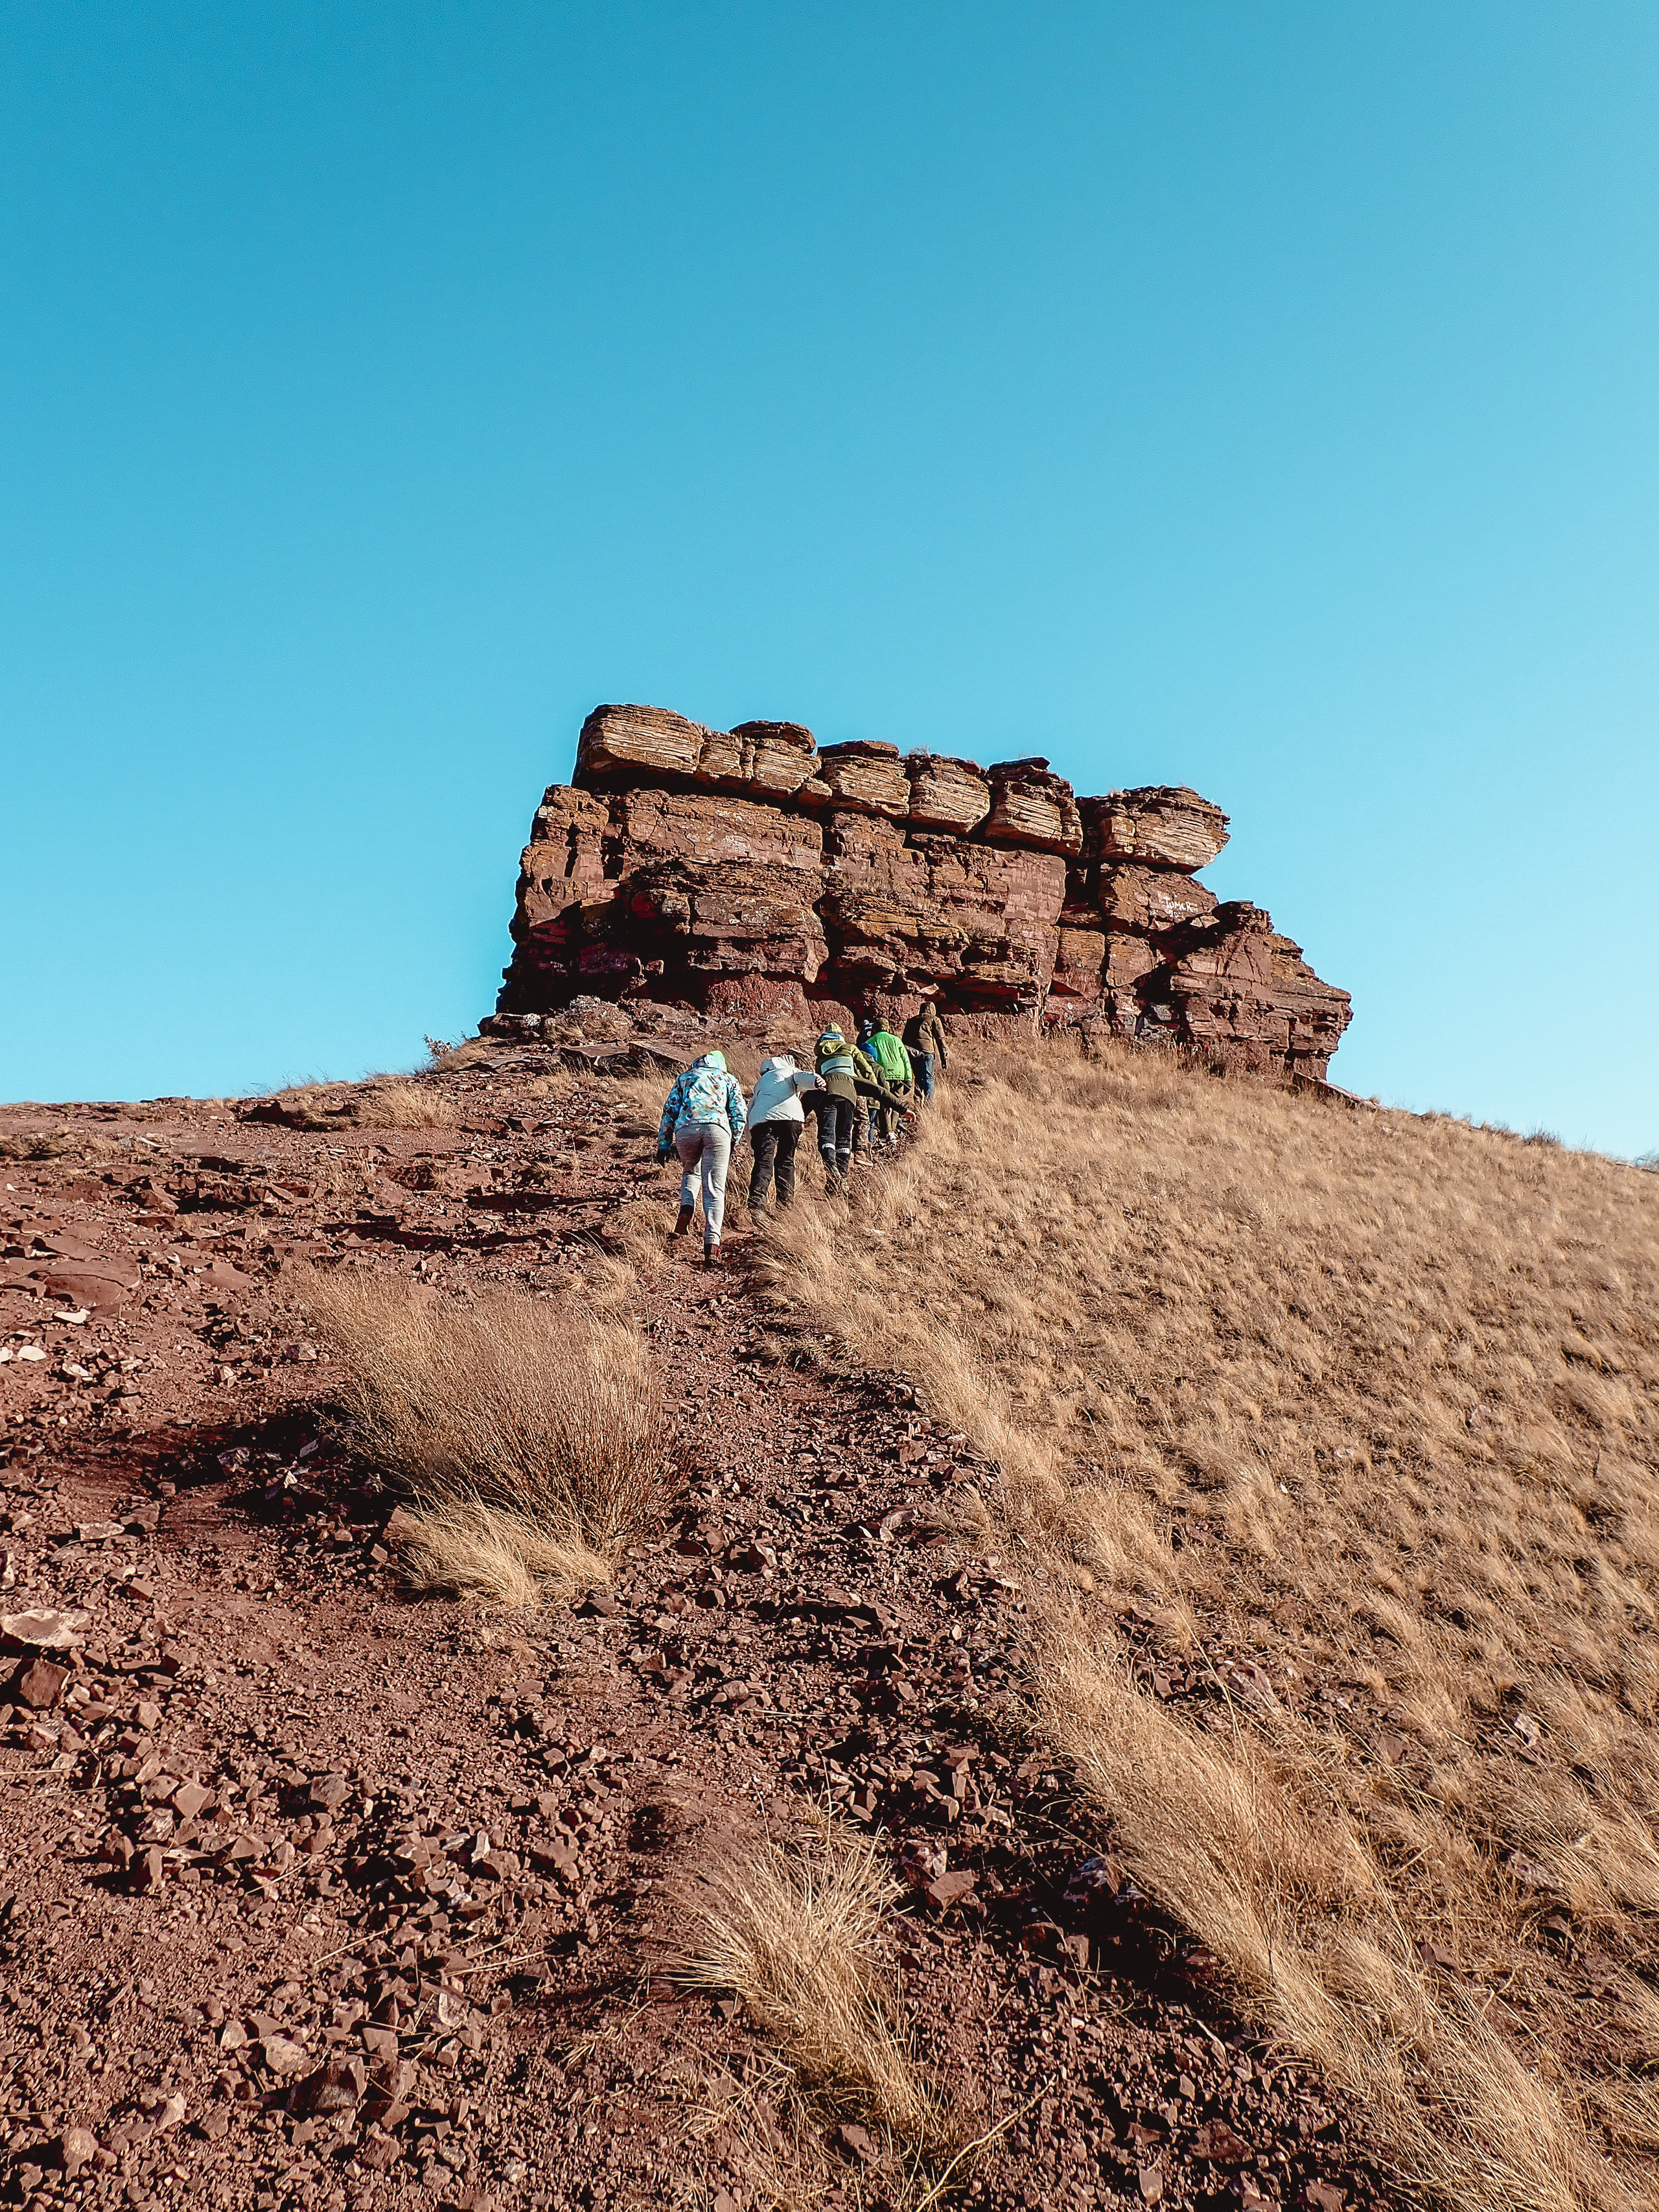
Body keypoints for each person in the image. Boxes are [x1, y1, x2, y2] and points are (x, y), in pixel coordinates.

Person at [655, 1049, 747, 1266]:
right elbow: (739, 1111)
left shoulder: (685, 1078)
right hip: (717, 1130)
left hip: (686, 1130)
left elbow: (670, 1111)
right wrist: (734, 1138)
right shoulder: (728, 1079)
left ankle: (687, 1207)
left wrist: (664, 1144)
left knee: (691, 1170)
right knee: (715, 1189)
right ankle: (712, 1246)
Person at [745, 1051, 822, 1214]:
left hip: (762, 1120)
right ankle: (785, 1208)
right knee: (786, 1160)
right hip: (791, 1118)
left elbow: (751, 1109)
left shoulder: (761, 1082)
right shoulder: (790, 1071)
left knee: (763, 1162)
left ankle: (756, 1207)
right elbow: (802, 1077)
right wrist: (816, 1081)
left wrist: (752, 1143)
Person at [861, 1018, 914, 1148]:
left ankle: (888, 1132)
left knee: (885, 1102)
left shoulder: (871, 1041)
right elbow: (906, 1059)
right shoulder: (896, 1040)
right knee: (897, 1102)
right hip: (899, 1074)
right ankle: (893, 1132)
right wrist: (909, 1078)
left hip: (883, 1074)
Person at [902, 1001, 948, 1103]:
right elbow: (940, 1040)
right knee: (928, 1078)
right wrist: (944, 1058)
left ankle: (917, 1102)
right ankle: (928, 1104)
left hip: (913, 1053)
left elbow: (904, 1041)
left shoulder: (911, 1021)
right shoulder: (934, 1019)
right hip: (928, 1053)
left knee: (918, 1078)